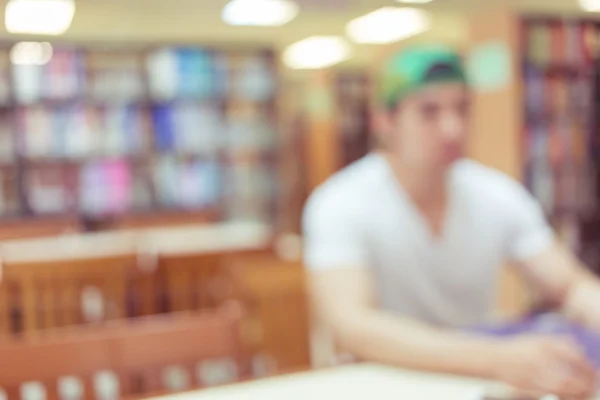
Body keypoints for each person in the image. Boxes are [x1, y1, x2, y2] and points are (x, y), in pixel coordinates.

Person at [302, 44, 600, 399]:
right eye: (429, 112)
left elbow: (568, 285)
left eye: (462, 109)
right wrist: (498, 357)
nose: (452, 128)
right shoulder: (339, 203)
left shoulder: (497, 193)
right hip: (387, 383)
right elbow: (354, 326)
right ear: (383, 120)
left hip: (481, 385)